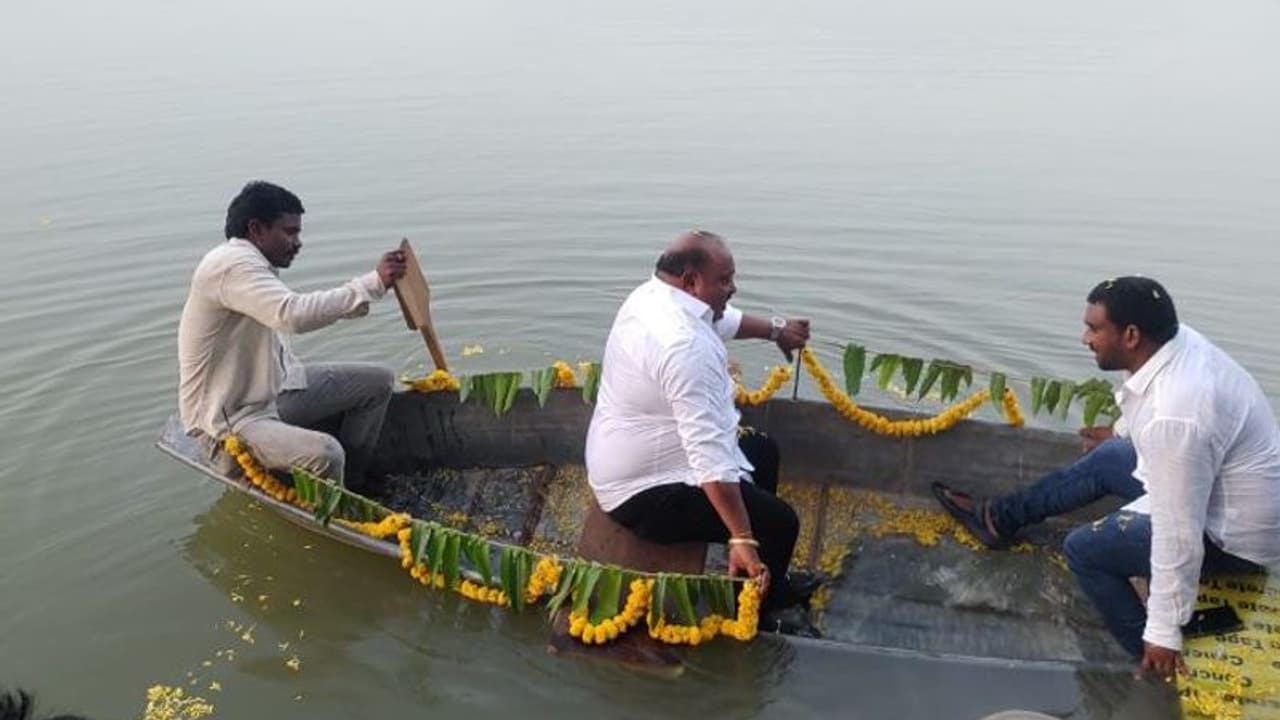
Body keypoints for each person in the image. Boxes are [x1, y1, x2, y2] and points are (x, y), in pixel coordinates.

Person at [932, 276, 1280, 676]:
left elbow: (1178, 531)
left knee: (1084, 550)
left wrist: (1162, 631)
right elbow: (1147, 402)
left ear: (1131, 335)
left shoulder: (1177, 415)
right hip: (1221, 498)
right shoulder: (1171, 343)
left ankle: (1154, 659)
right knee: (1114, 455)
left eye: (1094, 328)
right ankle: (998, 519)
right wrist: (1120, 431)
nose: (1085, 338)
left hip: (1232, 541)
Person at [585, 229, 819, 634]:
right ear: (691, 281)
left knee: (764, 451)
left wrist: (777, 330)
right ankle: (759, 608)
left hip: (639, 454)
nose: (733, 287)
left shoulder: (653, 295)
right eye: (725, 279)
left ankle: (762, 574)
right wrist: (744, 535)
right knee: (780, 523)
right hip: (642, 493)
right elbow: (709, 458)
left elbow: (720, 318)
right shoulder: (684, 347)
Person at [178, 180, 407, 490]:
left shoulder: (252, 264)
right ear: (256, 229)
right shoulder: (231, 266)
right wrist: (372, 283)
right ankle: (336, 516)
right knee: (327, 454)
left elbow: (295, 312)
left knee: (378, 382)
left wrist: (373, 288)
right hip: (228, 423)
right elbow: (292, 314)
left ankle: (353, 485)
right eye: (289, 232)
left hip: (270, 395)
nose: (298, 242)